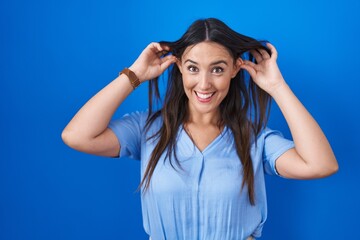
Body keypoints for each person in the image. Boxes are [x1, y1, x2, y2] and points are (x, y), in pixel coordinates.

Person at [61, 18, 338, 240]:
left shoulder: (255, 138)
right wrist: (135, 75)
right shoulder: (147, 129)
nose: (204, 84)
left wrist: (277, 88)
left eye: (217, 69)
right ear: (179, 66)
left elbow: (320, 165)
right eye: (193, 68)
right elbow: (76, 136)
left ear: (234, 69)